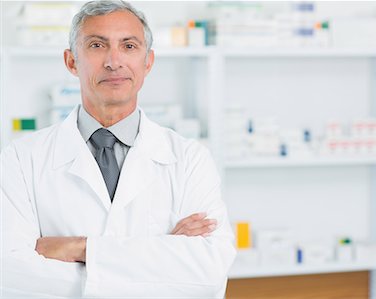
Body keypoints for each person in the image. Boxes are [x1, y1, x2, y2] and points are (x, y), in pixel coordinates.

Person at [0, 1, 236, 298]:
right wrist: (164, 255)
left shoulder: (190, 159)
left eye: (129, 46)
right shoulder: (20, 160)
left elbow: (209, 274)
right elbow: (10, 274)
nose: (114, 61)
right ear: (71, 61)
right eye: (97, 45)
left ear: (147, 62)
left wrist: (82, 248)